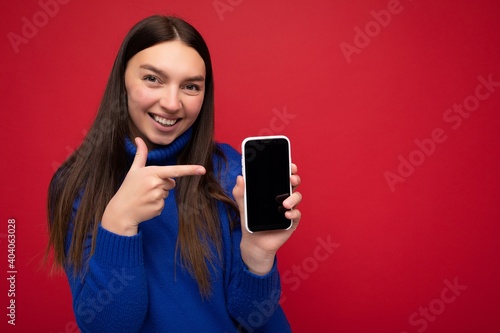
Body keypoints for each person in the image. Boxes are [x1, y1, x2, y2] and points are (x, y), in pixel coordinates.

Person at [46, 15, 302, 333]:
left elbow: (253, 317)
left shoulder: (231, 173)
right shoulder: (75, 185)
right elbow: (107, 327)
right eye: (153, 79)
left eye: (190, 86)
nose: (171, 103)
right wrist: (119, 224)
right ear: (122, 79)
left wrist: (258, 254)